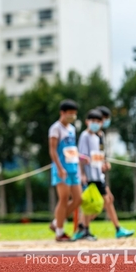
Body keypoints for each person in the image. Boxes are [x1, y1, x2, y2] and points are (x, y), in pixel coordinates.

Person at [96, 105, 134, 239]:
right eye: (104, 119)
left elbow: (100, 154)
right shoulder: (91, 135)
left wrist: (104, 162)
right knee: (97, 202)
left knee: (107, 199)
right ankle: (82, 227)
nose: (106, 121)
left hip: (99, 174)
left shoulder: (101, 135)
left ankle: (117, 228)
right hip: (92, 174)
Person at [48, 99, 83, 242]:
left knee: (78, 199)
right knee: (63, 199)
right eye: (70, 114)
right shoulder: (55, 128)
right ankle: (60, 232)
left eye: (74, 114)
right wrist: (59, 167)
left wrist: (80, 159)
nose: (72, 116)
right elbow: (53, 150)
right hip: (61, 169)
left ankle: (57, 222)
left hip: (73, 167)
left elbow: (71, 149)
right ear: (62, 113)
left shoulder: (72, 129)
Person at [73, 109, 107, 241]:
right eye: (93, 121)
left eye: (98, 121)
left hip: (98, 174)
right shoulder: (84, 136)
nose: (95, 124)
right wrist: (82, 174)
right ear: (87, 122)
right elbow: (81, 155)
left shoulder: (97, 137)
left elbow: (97, 156)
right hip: (88, 175)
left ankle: (83, 226)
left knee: (102, 202)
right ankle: (84, 229)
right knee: (89, 204)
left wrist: (103, 164)